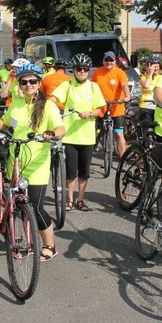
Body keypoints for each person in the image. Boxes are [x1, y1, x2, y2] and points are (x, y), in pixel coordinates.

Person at [0, 63, 65, 261]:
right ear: (19, 85)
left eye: (33, 81)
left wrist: (52, 134)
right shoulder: (15, 104)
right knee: (17, 206)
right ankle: (24, 241)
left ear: (39, 83)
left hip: (37, 164)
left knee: (36, 207)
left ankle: (50, 245)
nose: (28, 85)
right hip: (15, 162)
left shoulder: (48, 106)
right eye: (24, 82)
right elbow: (6, 123)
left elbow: (60, 128)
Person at [50, 53, 105, 212]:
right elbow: (53, 99)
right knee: (71, 171)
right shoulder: (67, 85)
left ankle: (80, 200)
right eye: (79, 69)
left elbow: (99, 108)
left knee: (84, 172)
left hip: (87, 136)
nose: (82, 71)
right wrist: (47, 107)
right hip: (71, 135)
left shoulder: (93, 86)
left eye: (85, 69)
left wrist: (90, 113)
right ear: (73, 70)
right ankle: (69, 200)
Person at [91, 51, 131, 157]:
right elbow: (91, 87)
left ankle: (122, 159)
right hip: (101, 107)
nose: (109, 62)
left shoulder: (120, 72)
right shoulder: (97, 72)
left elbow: (124, 85)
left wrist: (127, 96)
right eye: (107, 60)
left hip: (117, 107)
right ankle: (103, 149)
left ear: (115, 61)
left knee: (119, 133)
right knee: (98, 132)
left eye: (111, 60)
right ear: (103, 61)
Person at [137, 55, 161, 127]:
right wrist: (150, 73)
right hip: (146, 106)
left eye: (157, 66)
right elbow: (146, 86)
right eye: (154, 66)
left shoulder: (161, 77)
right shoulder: (144, 77)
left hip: (158, 107)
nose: (156, 68)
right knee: (146, 128)